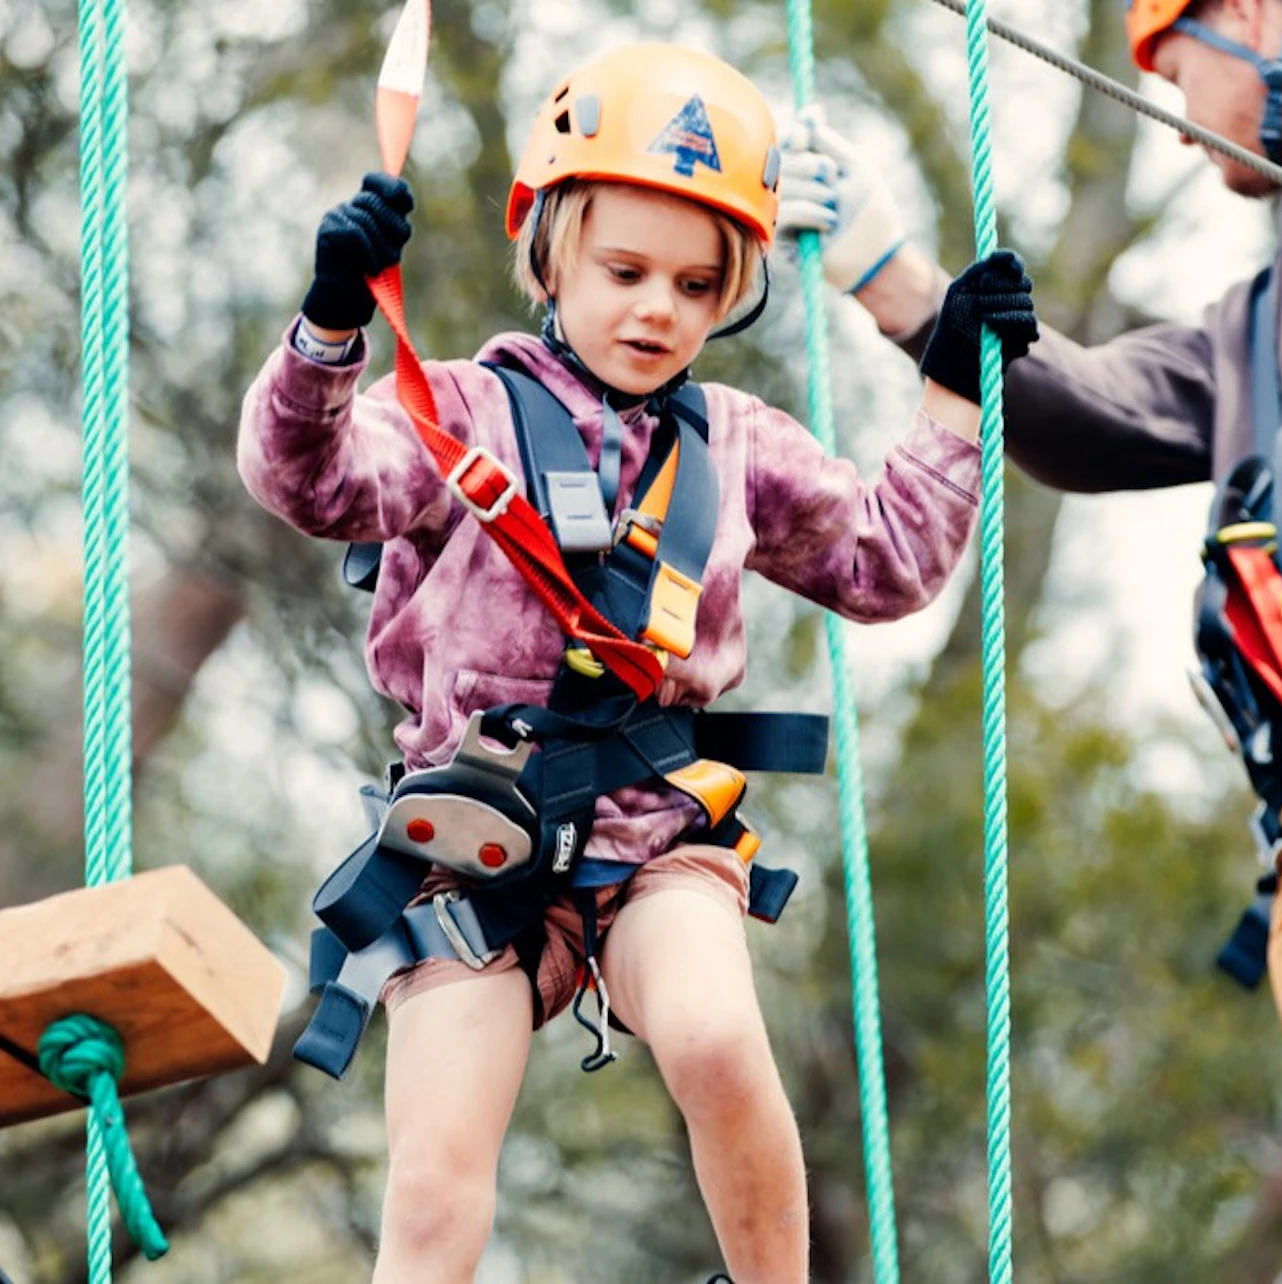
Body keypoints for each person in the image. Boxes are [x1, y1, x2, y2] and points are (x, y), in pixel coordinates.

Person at [238, 40, 1037, 1284]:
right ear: (548, 248)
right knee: (438, 1183)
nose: (657, 308)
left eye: (696, 284)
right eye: (624, 271)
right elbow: (309, 478)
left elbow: (885, 564)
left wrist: (949, 395)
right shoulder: (460, 412)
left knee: (718, 1037)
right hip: (471, 841)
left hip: (657, 830)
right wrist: (331, 324)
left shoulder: (740, 446)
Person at [774, 0, 1282, 1006]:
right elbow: (1096, 412)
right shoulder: (1255, 339)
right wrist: (905, 287)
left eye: (1180, 79)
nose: (1179, 126)